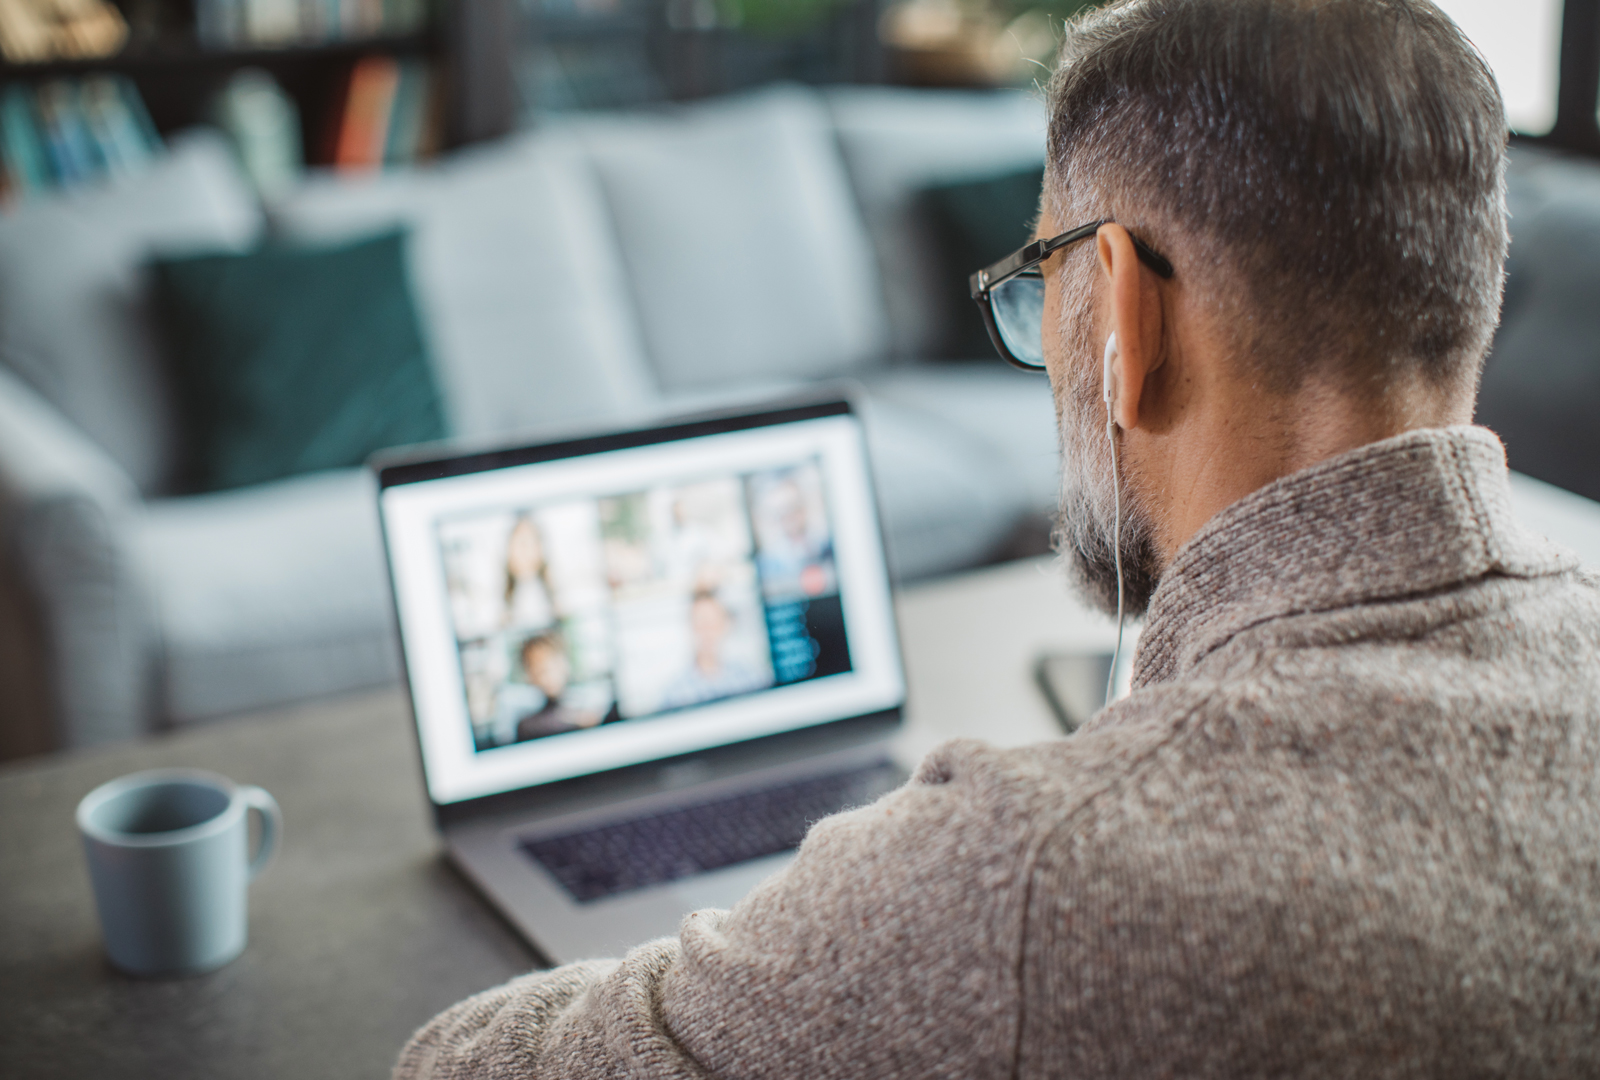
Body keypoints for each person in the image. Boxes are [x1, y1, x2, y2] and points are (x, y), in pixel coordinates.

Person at [394, 2, 1600, 1075]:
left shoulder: (1028, 874)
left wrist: (823, 939)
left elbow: (462, 1063)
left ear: (1120, 309)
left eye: (1043, 272)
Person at [658, 588, 771, 709]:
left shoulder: (751, 678)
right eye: (701, 623)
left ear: (725, 626)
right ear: (691, 627)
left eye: (713, 622)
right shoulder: (675, 694)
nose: (707, 631)